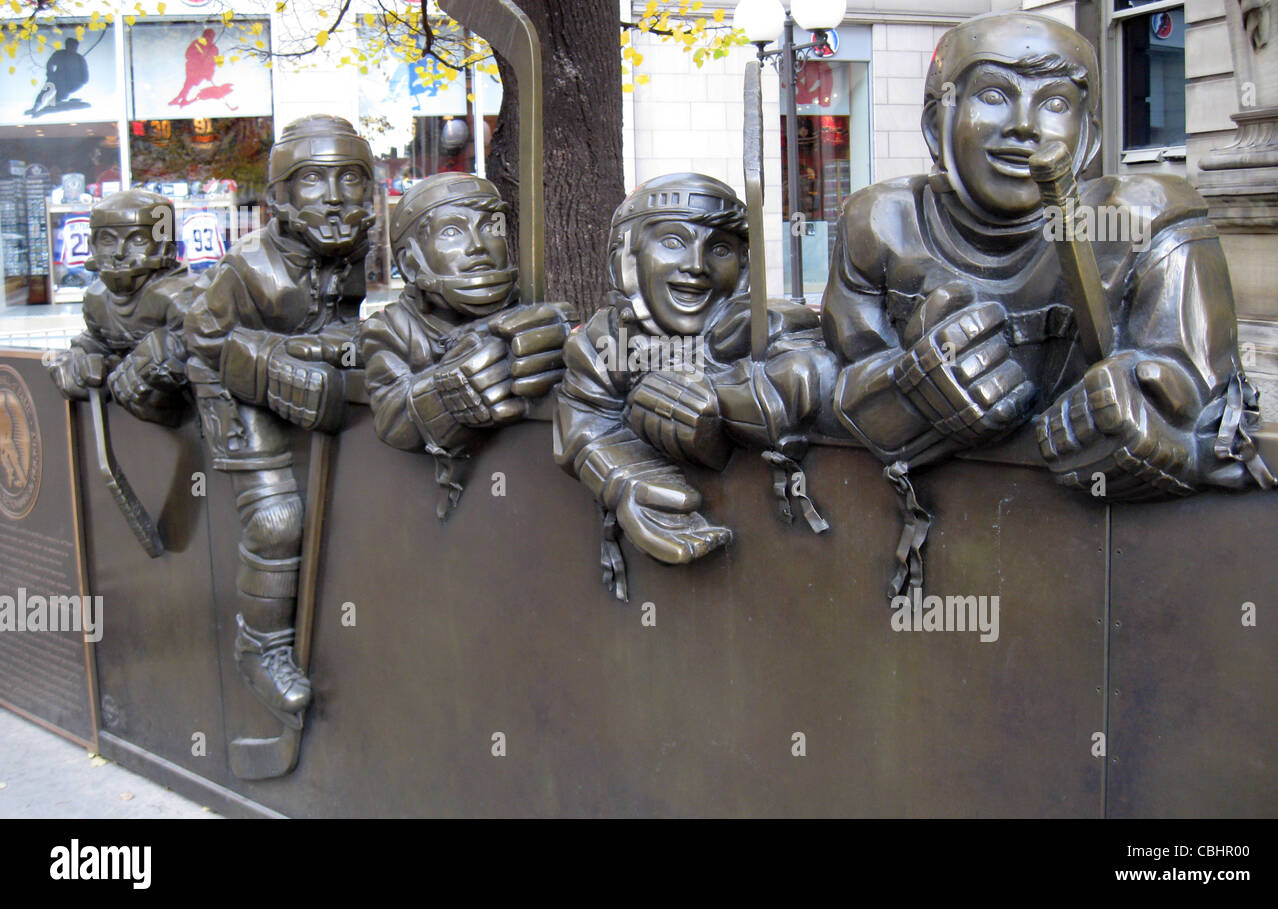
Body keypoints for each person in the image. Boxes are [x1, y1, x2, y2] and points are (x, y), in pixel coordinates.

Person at [820, 12, 1273, 590]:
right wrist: (910, 393)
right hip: (937, 549)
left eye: (1056, 103)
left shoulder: (1142, 219)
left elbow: (1217, 417)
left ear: (1089, 136)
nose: (1026, 127)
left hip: (1104, 566)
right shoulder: (879, 223)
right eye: (993, 95)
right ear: (938, 124)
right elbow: (834, 383)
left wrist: (1158, 425)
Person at [554, 173, 838, 596]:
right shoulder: (602, 342)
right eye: (672, 242)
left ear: (743, 267)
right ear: (625, 260)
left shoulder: (766, 327)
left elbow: (806, 377)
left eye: (719, 249)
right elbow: (583, 421)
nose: (696, 265)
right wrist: (628, 478)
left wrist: (718, 401)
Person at [183, 115, 374, 727]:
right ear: (279, 198)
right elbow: (201, 339)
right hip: (236, 393)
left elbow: (344, 320)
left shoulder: (351, 250)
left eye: (352, 179)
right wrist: (273, 360)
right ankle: (260, 648)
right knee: (276, 518)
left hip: (305, 385)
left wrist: (339, 345)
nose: (338, 196)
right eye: (315, 180)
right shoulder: (248, 268)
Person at [359, 173, 574, 515]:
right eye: (451, 232)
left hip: (531, 501)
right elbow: (393, 417)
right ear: (410, 262)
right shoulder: (392, 329)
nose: (478, 245)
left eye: (490, 228)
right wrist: (447, 391)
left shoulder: (529, 314)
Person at [45, 190, 198, 426]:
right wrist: (78, 359)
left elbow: (210, 355)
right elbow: (97, 341)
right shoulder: (97, 299)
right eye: (108, 239)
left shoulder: (182, 296)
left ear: (164, 245)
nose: (118, 253)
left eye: (137, 240)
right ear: (92, 245)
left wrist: (166, 355)